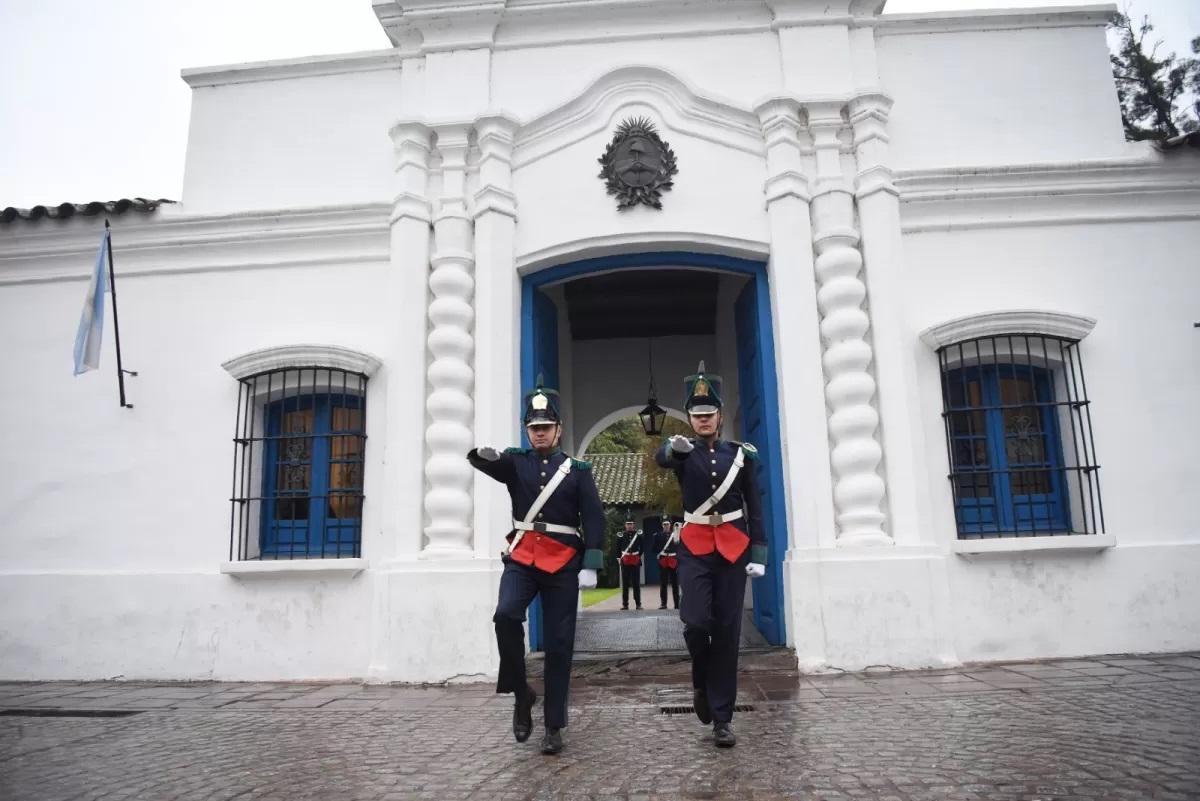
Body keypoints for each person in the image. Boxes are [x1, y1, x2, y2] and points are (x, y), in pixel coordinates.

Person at [467, 376, 604, 755]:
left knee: (560, 646)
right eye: (533, 428)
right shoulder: (516, 462)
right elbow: (489, 465)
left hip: (563, 562)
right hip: (523, 556)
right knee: (505, 616)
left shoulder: (577, 471)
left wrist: (591, 561)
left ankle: (554, 726)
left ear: (558, 429)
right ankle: (521, 690)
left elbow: (593, 518)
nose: (539, 433)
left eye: (545, 427)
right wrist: (483, 455)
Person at [655, 361, 768, 748]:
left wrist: (760, 550)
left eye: (709, 414)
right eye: (697, 415)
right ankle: (700, 679)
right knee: (695, 621)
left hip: (733, 547)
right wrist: (673, 446)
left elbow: (755, 504)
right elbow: (662, 457)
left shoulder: (741, 455)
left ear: (720, 417)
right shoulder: (683, 452)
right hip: (696, 547)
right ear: (689, 418)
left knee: (727, 633)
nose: (703, 420)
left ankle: (722, 718)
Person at [615, 517, 643, 610]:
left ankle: (638, 604)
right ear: (625, 525)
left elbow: (642, 547)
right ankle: (625, 604)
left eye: (631, 524)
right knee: (625, 583)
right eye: (628, 524)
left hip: (635, 559)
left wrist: (638, 555)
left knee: (636, 583)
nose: (629, 526)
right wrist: (619, 558)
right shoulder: (621, 535)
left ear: (634, 524)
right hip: (625, 560)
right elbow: (618, 548)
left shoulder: (638, 535)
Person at [654, 518, 681, 610]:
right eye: (664, 524)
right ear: (662, 525)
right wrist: (660, 553)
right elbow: (654, 548)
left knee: (675, 583)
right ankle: (663, 604)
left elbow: (679, 547)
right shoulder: (657, 535)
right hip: (663, 560)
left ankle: (677, 604)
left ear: (670, 525)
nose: (666, 526)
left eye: (668, 524)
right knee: (663, 584)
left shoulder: (676, 535)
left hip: (673, 559)